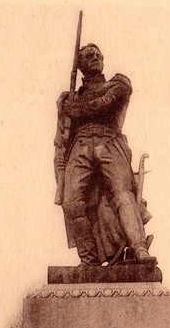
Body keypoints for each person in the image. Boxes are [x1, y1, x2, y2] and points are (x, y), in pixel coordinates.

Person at [54, 43, 156, 266]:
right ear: (79, 65)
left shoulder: (118, 84)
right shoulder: (69, 99)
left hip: (109, 142)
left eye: (98, 55)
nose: (95, 58)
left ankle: (139, 249)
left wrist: (77, 109)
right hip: (79, 146)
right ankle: (88, 260)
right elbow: (61, 138)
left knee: (122, 194)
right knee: (72, 201)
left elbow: (104, 104)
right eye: (89, 56)